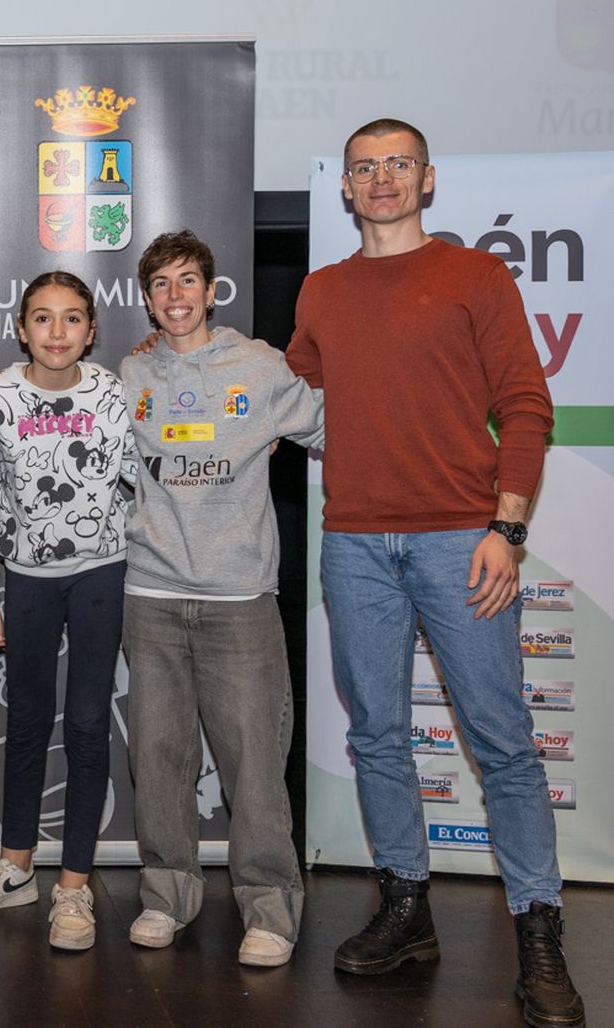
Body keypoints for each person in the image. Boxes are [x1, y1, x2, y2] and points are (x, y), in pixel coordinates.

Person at [288, 119, 581, 1026]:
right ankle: (406, 907)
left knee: (503, 742)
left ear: (427, 179)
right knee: (379, 735)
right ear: (345, 187)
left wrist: (507, 528)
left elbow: (526, 405)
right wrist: (184, 361)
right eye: (365, 167)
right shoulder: (322, 289)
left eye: (398, 164)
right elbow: (286, 392)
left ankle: (539, 931)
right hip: (354, 544)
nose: (381, 178)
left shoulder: (476, 276)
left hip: (463, 539)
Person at [119, 230, 323, 967]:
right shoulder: (131, 372)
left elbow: (328, 428)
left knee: (254, 761)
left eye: (187, 281)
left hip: (239, 596)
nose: (175, 296)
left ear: (211, 291)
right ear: (148, 301)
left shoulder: (260, 367)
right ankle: (166, 895)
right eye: (161, 284)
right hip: (150, 591)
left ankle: (269, 907)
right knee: (159, 757)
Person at [0, 272, 134, 951]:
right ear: (21, 328)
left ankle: (74, 887)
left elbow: (144, 478)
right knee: (26, 722)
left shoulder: (114, 393)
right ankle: (16, 867)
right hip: (25, 580)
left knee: (86, 723)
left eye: (73, 318)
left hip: (101, 574)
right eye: (44, 318)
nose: (58, 332)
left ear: (91, 329)